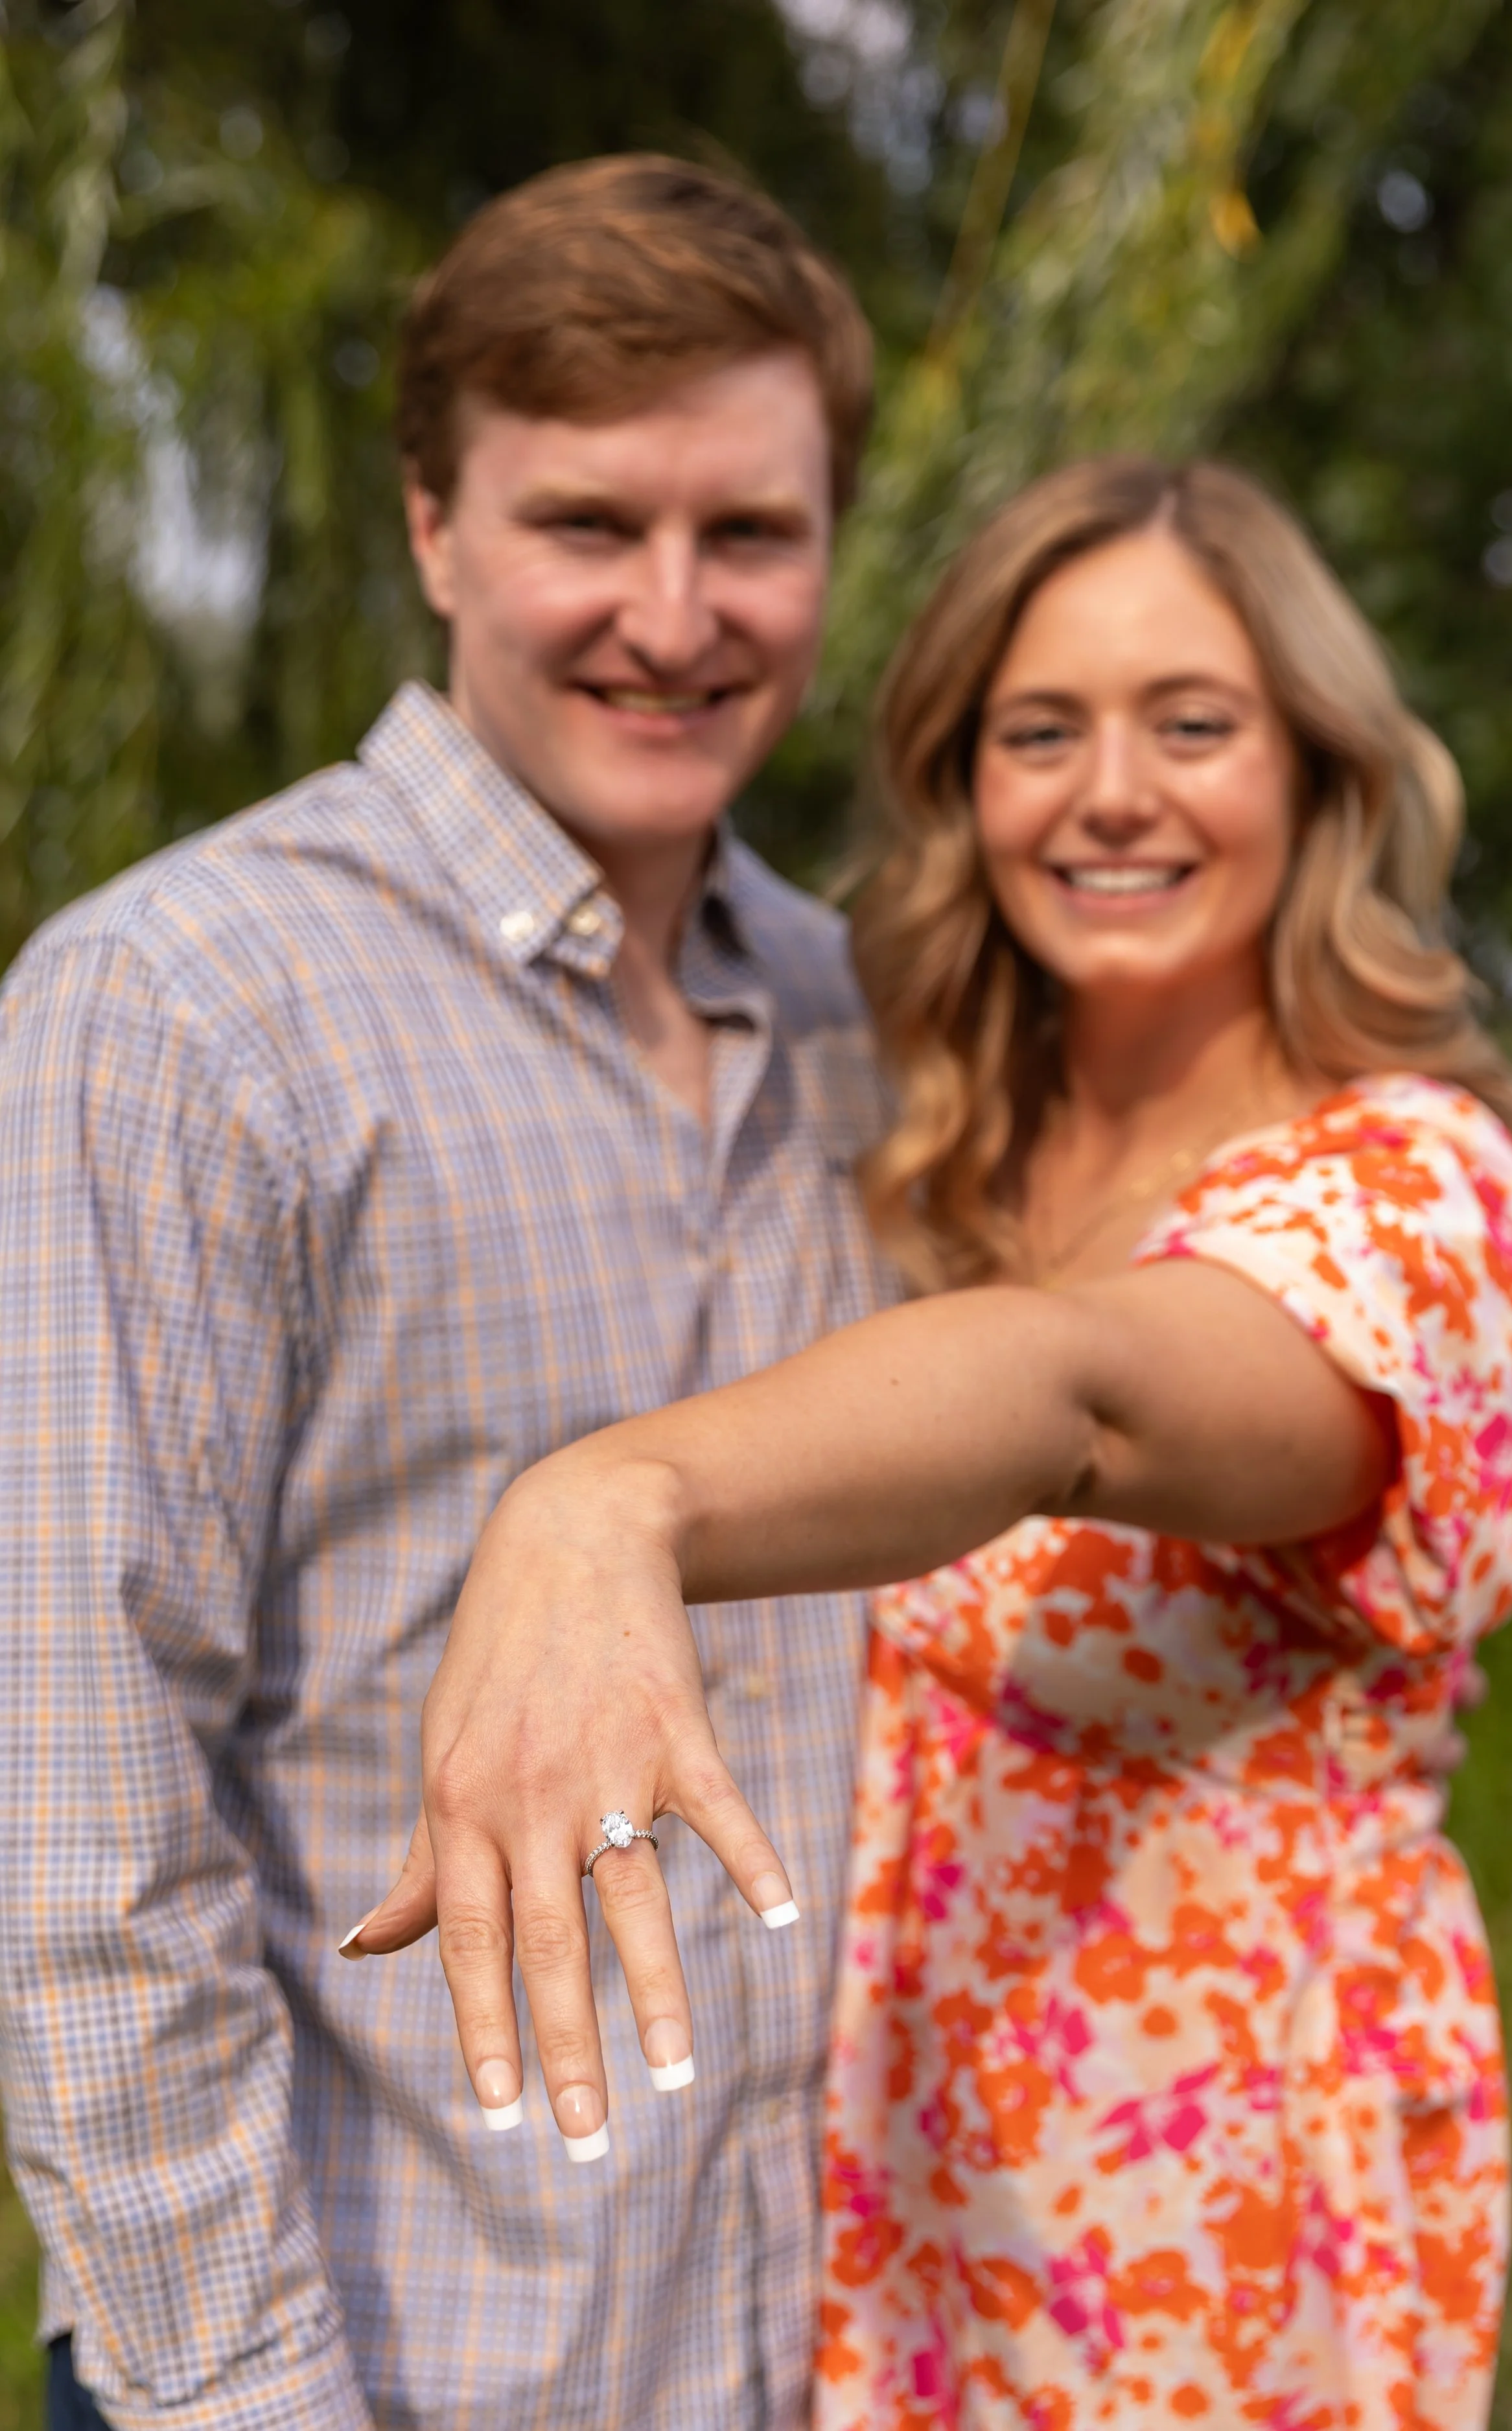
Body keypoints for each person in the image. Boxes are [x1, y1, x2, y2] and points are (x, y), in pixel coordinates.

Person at [364, 458, 1512, 2427]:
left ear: (1318, 769)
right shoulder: (948, 1146)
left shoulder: (1419, 1197)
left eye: (1193, 724)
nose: (1112, 793)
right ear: (965, 784)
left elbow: (1077, 1396)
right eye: (1041, 732)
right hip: (905, 2203)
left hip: (1206, 2238)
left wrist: (610, 1500)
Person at [0, 156, 898, 2429]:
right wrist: (242, 2397)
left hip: (789, 2354)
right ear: (434, 529)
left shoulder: (863, 1021)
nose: (674, 615)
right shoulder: (183, 1007)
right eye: (587, 522)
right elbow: (77, 1824)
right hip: (383, 2368)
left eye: (749, 531)